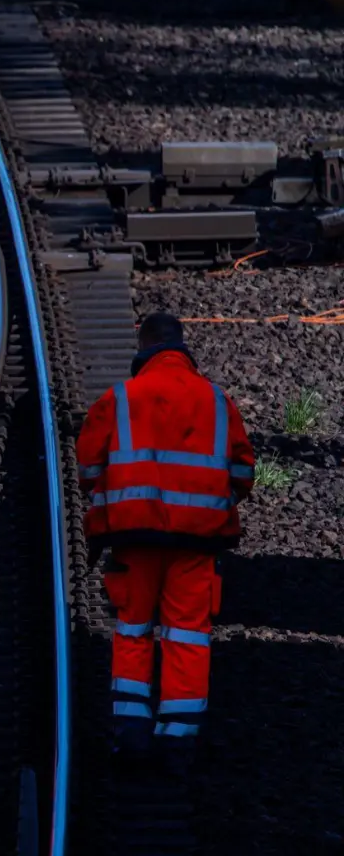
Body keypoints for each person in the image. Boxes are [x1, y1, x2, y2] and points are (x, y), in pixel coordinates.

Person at [76, 312, 255, 776]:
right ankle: (178, 738)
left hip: (134, 540)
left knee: (133, 628)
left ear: (143, 349)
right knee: (188, 633)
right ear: (183, 347)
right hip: (197, 542)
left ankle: (132, 731)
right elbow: (241, 473)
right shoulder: (217, 400)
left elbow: (90, 472)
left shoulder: (118, 399)